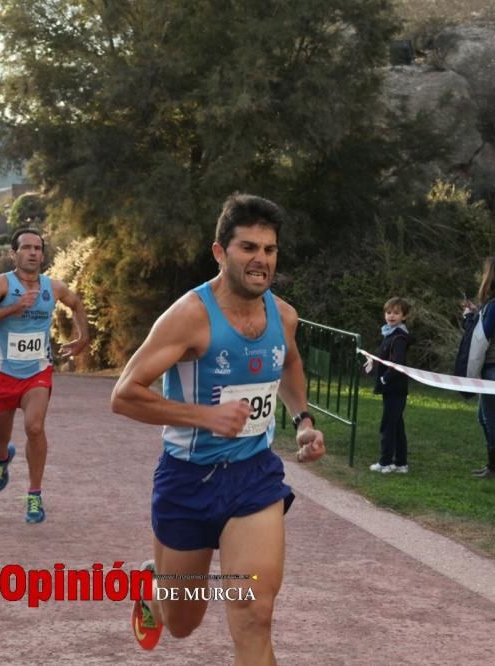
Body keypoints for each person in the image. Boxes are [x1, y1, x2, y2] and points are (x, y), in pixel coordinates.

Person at [110, 193, 326, 660]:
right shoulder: (189, 316)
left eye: (269, 250)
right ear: (220, 252)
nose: (260, 261)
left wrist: (302, 419)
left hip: (254, 478)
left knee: (255, 615)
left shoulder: (283, 315)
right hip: (187, 480)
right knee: (182, 622)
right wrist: (203, 416)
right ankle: (152, 589)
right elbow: (124, 394)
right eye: (248, 248)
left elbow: (288, 364)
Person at [0, 228, 90, 523]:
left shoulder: (53, 287)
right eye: (26, 247)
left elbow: (76, 304)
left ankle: (34, 495)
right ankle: (2, 458)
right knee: (1, 435)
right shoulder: (1, 284)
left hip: (37, 371)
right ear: (14, 254)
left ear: (42, 254)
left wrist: (83, 337)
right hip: (2, 373)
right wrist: (13, 308)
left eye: (38, 248)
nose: (33, 252)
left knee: (34, 428)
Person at [460, 257, 495, 479]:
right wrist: (477, 312)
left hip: (494, 365)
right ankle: (492, 464)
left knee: (490, 417)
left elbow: (482, 334)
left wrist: (468, 319)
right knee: (484, 417)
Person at [364, 297, 414, 474]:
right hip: (391, 388)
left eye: (396, 313)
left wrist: (386, 378)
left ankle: (385, 463)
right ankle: (401, 463)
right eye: (388, 312)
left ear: (404, 316)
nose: (391, 316)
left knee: (388, 425)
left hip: (395, 388)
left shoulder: (399, 337)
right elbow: (384, 357)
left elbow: (397, 362)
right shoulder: (389, 333)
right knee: (397, 425)